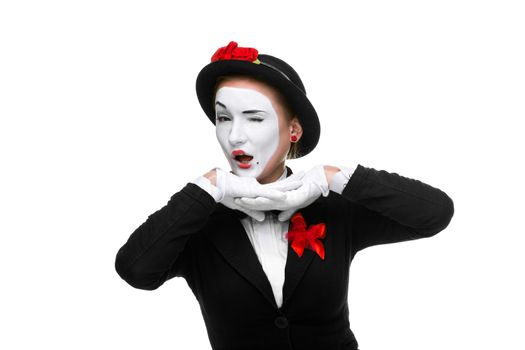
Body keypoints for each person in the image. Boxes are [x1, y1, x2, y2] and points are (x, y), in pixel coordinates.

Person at [114, 41, 455, 350]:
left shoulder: (333, 208)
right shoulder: (198, 220)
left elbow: (435, 213)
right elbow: (135, 269)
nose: (234, 136)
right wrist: (207, 187)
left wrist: (333, 178)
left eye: (255, 118)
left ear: (293, 130)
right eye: (223, 118)